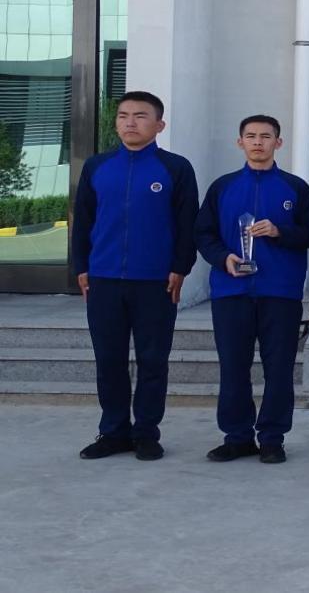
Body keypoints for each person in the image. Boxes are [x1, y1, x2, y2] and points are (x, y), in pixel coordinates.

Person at [72, 91, 199, 461]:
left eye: (141, 116)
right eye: (123, 115)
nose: (130, 122)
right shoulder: (97, 166)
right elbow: (83, 221)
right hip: (104, 278)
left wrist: (180, 268)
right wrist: (82, 267)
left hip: (155, 282)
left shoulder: (175, 168)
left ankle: (146, 432)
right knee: (108, 359)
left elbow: (187, 223)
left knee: (152, 360)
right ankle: (112, 432)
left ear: (159, 125)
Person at [195, 115, 309, 464]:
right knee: (233, 367)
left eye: (266, 136)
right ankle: (237, 437)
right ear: (240, 142)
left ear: (279, 142)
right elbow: (203, 233)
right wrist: (223, 258)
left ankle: (273, 438)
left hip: (281, 292)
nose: (258, 142)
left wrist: (280, 232)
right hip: (231, 291)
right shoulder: (222, 187)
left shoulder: (295, 188)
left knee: (279, 368)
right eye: (251, 136)